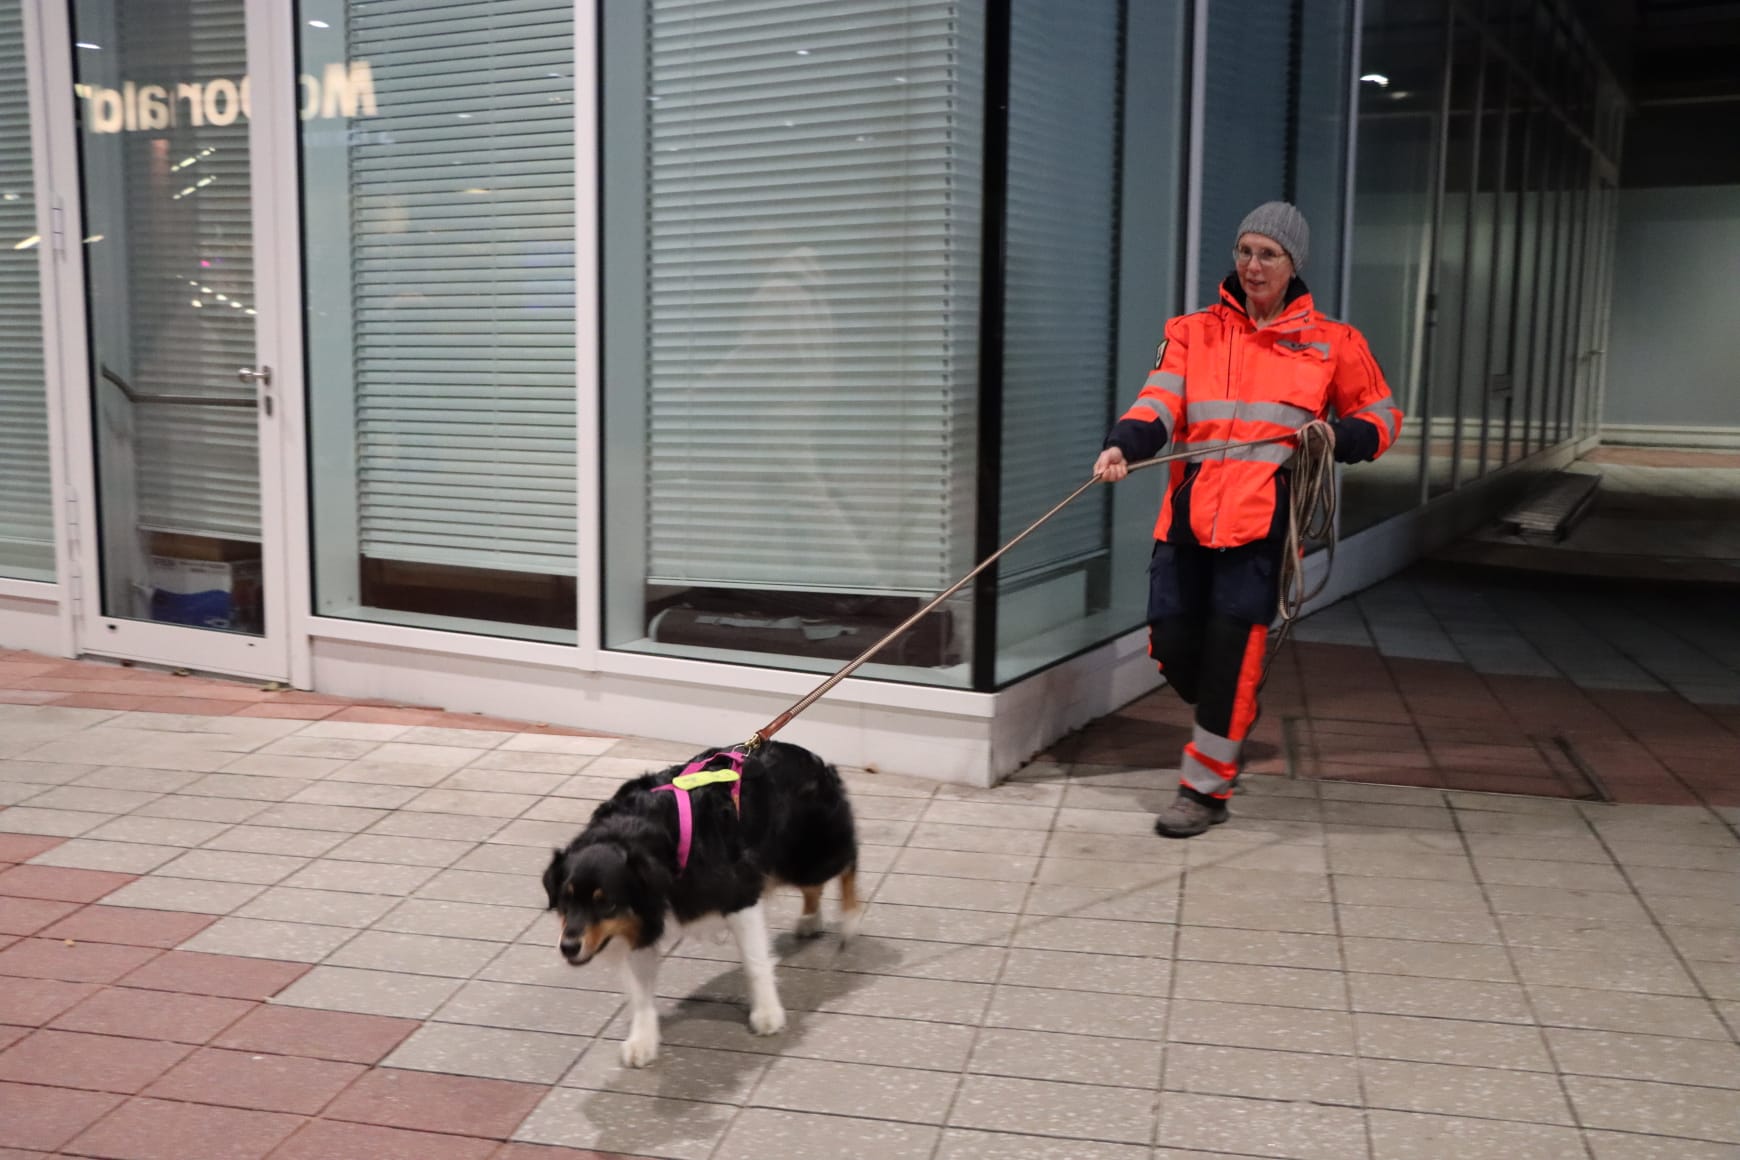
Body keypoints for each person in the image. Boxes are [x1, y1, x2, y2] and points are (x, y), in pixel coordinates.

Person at [1094, 202, 1403, 838]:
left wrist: (1339, 436)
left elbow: (1382, 415)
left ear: (1294, 263)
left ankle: (1203, 791)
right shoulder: (1192, 331)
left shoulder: (1333, 343)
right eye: (1245, 251)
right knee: (1173, 645)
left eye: (1268, 254)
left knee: (1231, 661)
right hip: (1186, 523)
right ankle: (1229, 705)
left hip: (1262, 532)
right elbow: (1159, 400)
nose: (1253, 265)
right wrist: (1125, 443)